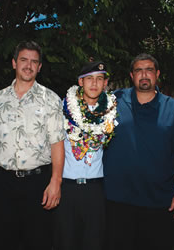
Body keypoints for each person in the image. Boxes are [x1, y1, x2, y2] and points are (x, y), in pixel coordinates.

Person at [102, 53, 174, 249]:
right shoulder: (113, 101)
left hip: (159, 202)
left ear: (157, 74)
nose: (144, 74)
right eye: (139, 70)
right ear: (132, 75)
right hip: (117, 201)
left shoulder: (172, 108)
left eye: (149, 70)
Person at [0, 41, 65, 250]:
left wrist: (56, 182)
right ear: (14, 63)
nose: (29, 65)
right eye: (24, 60)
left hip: (37, 184)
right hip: (1, 183)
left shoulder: (51, 99)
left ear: (40, 67)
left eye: (34, 61)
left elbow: (57, 145)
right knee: (0, 242)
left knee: (39, 242)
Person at [53, 61, 117, 250]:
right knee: (65, 242)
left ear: (105, 83)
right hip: (67, 188)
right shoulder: (63, 108)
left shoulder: (111, 111)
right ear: (80, 82)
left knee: (94, 242)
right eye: (89, 79)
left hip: (95, 189)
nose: (94, 84)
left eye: (99, 79)